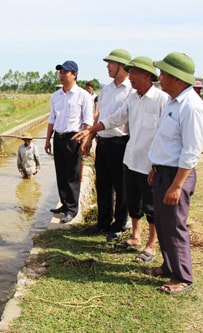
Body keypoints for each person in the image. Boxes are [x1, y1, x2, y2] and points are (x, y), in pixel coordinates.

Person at [74, 56, 168, 262]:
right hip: (131, 158)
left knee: (150, 204)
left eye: (133, 72)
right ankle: (135, 237)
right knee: (133, 200)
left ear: (146, 75)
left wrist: (158, 162)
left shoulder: (162, 100)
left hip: (150, 161)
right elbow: (115, 118)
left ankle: (151, 245)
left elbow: (165, 133)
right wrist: (91, 131)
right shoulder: (133, 98)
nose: (130, 77)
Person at [145, 52, 203, 294]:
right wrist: (155, 167)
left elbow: (191, 153)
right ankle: (169, 265)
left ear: (178, 78)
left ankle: (183, 277)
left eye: (164, 73)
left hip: (176, 175)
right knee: (162, 222)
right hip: (163, 172)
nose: (160, 77)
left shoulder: (191, 107)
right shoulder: (173, 103)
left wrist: (177, 185)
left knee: (174, 226)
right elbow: (165, 142)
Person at [87, 49, 133, 241]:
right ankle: (103, 222)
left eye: (111, 64)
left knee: (121, 186)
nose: (108, 67)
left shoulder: (131, 91)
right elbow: (100, 115)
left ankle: (119, 224)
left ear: (121, 66)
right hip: (103, 142)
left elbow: (121, 119)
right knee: (102, 184)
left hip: (120, 143)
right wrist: (90, 136)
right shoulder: (106, 90)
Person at [45, 60, 94, 223]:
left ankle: (72, 209)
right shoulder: (56, 96)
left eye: (65, 72)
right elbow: (52, 119)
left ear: (74, 74)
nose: (61, 75)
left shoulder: (83, 96)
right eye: (60, 72)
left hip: (74, 138)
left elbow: (88, 121)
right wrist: (47, 140)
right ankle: (64, 204)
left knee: (73, 174)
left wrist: (84, 142)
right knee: (61, 173)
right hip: (58, 138)